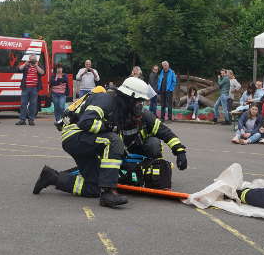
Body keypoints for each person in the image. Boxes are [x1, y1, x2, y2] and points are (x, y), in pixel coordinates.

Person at [33, 77, 188, 207]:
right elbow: (86, 123)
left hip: (87, 141)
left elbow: (162, 130)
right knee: (112, 141)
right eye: (139, 100)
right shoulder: (106, 100)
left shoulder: (132, 111)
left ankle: (51, 178)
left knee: (92, 188)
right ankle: (108, 192)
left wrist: (179, 150)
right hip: (75, 136)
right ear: (130, 97)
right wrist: (108, 127)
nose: (141, 104)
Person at [17, 55, 44, 126]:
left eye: (34, 60)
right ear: (29, 59)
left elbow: (42, 73)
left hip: (34, 88)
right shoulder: (26, 65)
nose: (32, 61)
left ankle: (31, 120)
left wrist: (36, 66)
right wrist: (25, 64)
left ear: (36, 60)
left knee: (33, 104)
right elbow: (19, 69)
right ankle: (22, 119)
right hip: (25, 87)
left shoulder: (38, 65)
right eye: (31, 60)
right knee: (23, 104)